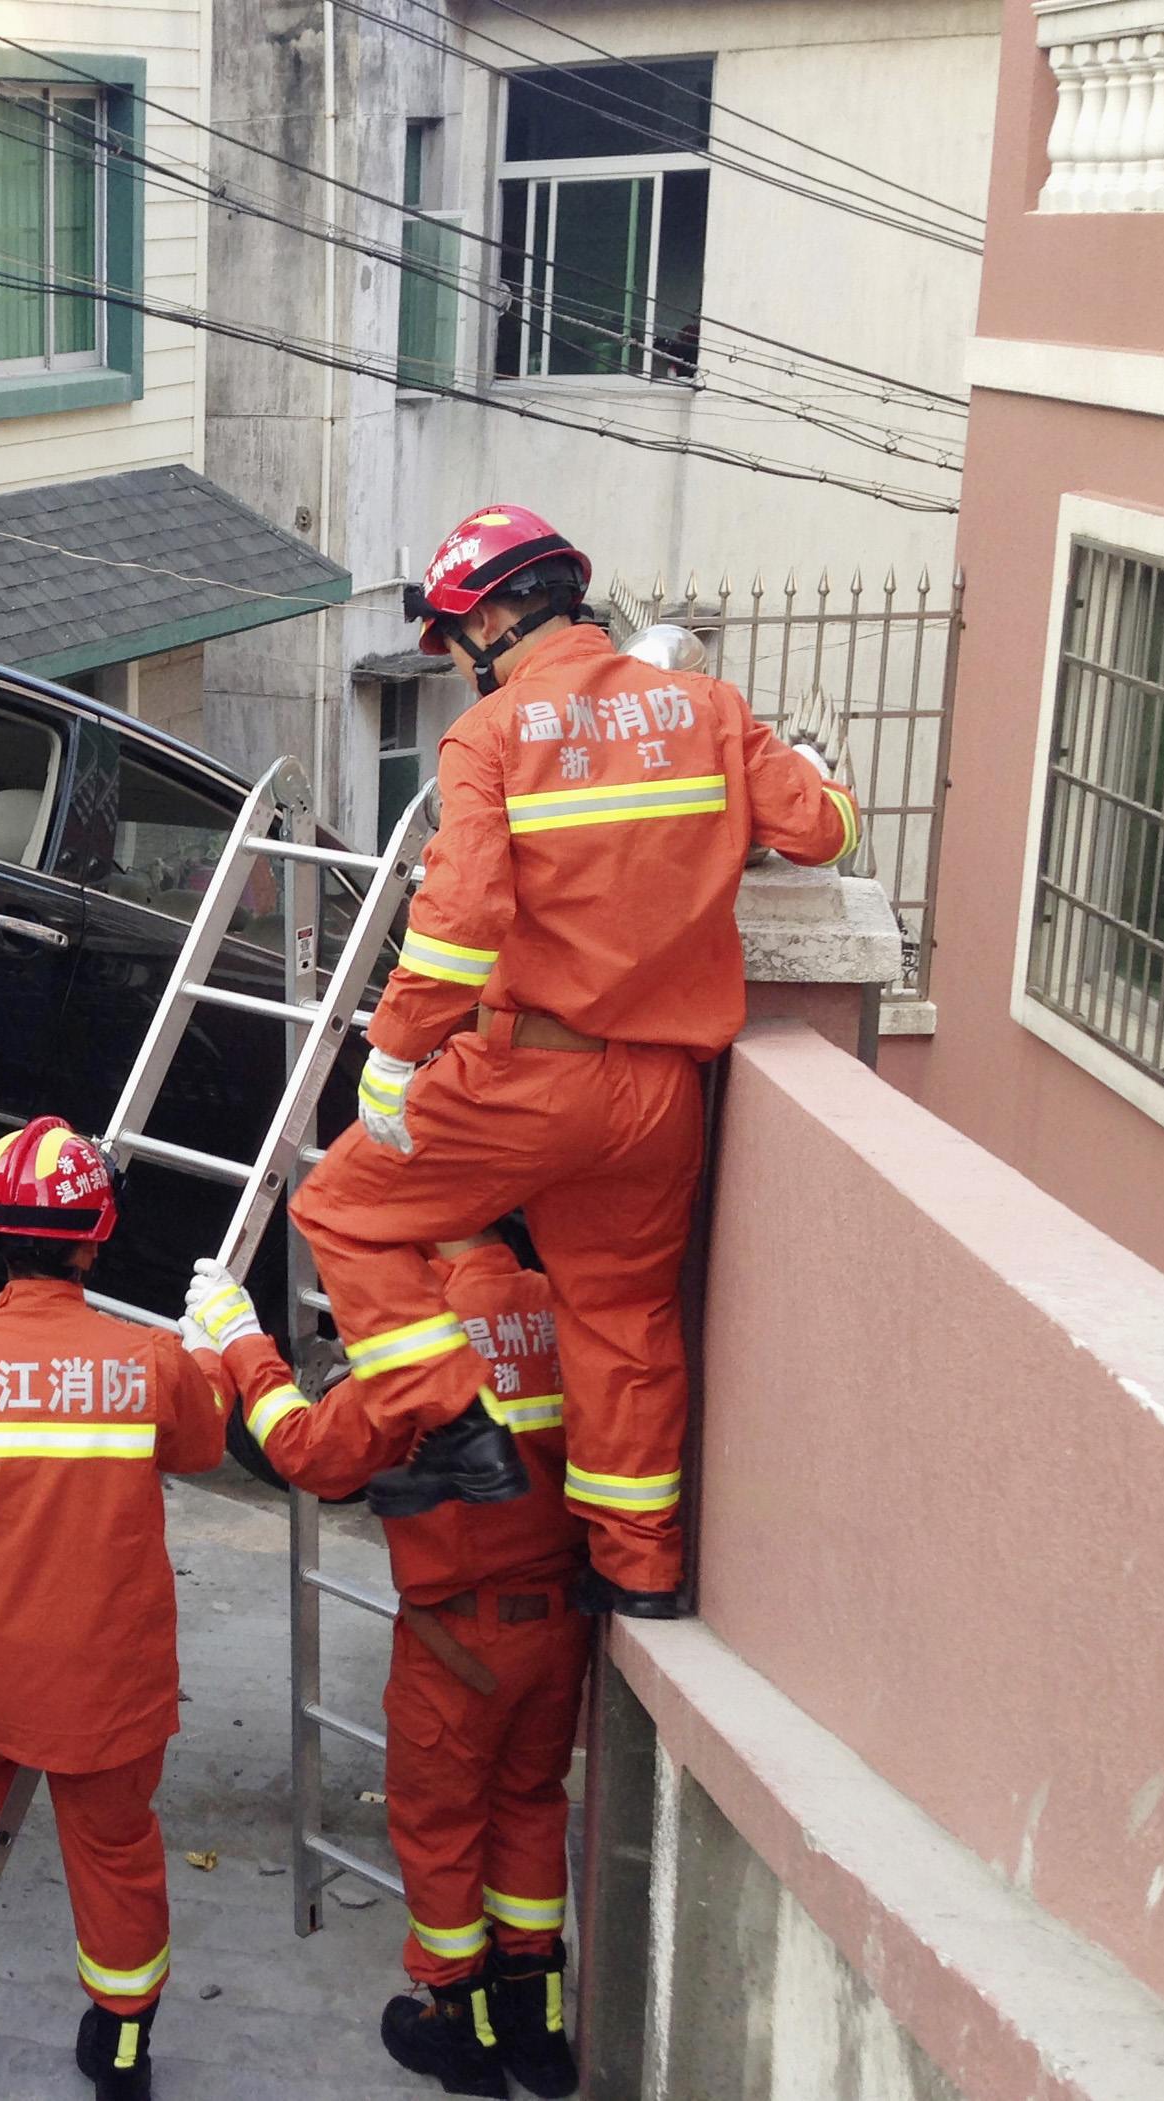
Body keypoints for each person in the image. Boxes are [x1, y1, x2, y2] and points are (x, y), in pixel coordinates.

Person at [285, 503, 860, 1617]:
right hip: (662, 1095)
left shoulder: (491, 738)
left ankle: (455, 1427)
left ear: (495, 613)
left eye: (453, 641)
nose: (455, 669)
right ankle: (637, 1572)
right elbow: (822, 829)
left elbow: (459, 917)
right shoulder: (709, 709)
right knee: (623, 1321)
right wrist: (806, 770)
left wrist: (395, 1054)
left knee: (344, 1212)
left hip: (531, 1075)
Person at [0, 1116, 231, 2101]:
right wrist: (215, 1350)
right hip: (107, 1678)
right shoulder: (147, 1365)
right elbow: (201, 1445)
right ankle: (118, 2050)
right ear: (93, 1237)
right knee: (115, 1857)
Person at [185, 1238, 585, 2100]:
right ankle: (538, 2025)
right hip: (557, 1628)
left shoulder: (425, 1336)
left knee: (440, 1833)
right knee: (529, 1806)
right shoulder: (560, 1305)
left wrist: (239, 1337)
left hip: (456, 1643)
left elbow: (307, 1451)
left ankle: (459, 2028)